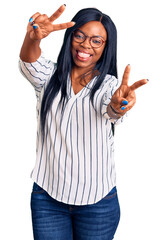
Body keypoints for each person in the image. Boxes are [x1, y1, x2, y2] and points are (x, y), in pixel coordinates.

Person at [19, 4, 148, 240]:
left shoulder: (109, 86)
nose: (85, 45)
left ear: (106, 47)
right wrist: (32, 38)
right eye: (79, 35)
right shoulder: (49, 76)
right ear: (70, 37)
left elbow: (111, 109)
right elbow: (29, 62)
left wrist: (118, 107)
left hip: (97, 204)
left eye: (96, 41)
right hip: (47, 198)